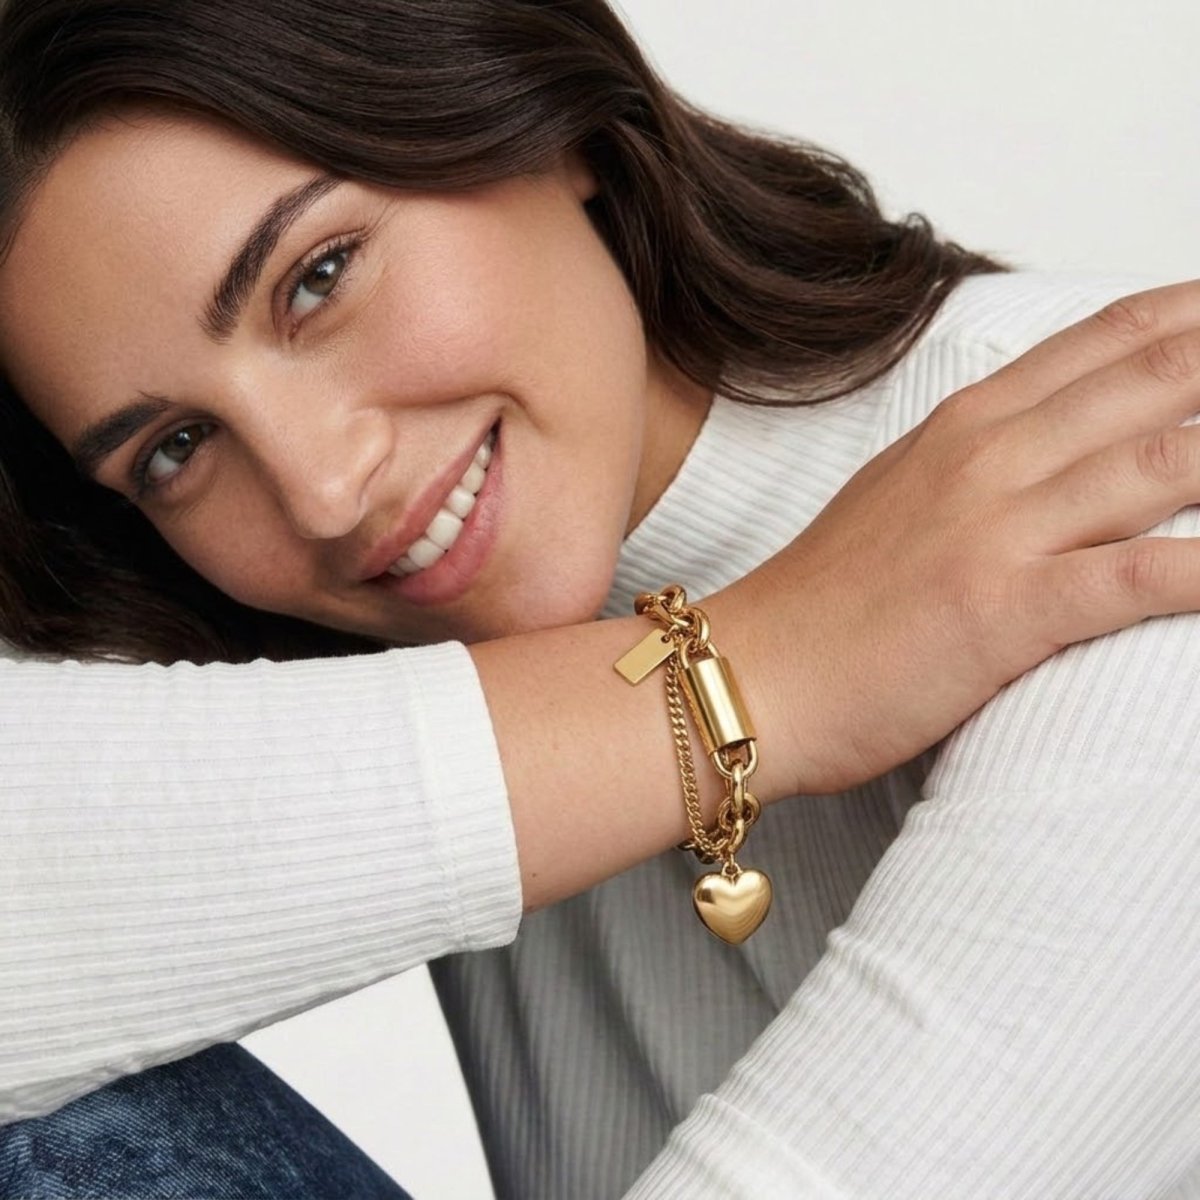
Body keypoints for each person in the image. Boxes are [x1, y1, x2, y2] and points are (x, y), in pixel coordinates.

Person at [2, 1, 1200, 1197]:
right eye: (174, 449)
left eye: (317, 278)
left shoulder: (1124, 525)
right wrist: (749, 674)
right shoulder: (418, 669)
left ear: (536, 121)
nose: (320, 490)